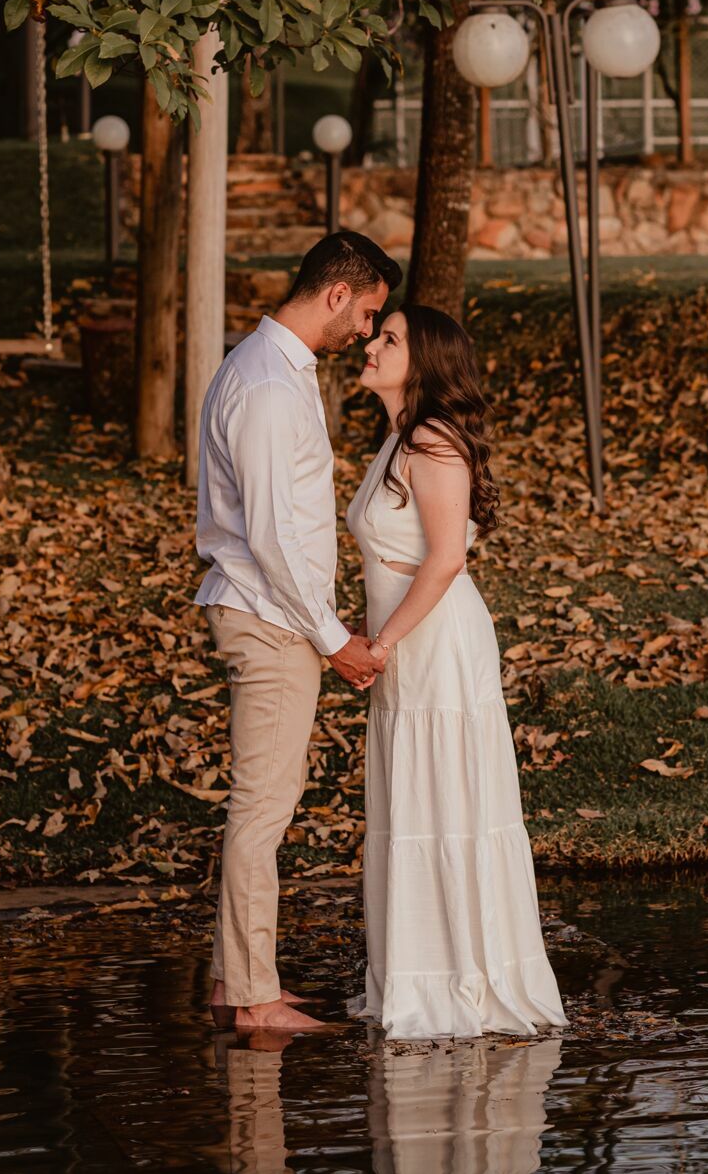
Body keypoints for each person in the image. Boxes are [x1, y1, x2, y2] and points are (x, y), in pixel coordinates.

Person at [195, 230, 402, 1034]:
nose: (367, 332)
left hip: (270, 611)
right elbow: (276, 535)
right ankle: (252, 999)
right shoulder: (271, 388)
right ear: (339, 293)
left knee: (259, 807)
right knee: (262, 812)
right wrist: (331, 636)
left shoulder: (270, 369)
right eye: (370, 312)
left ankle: (231, 982)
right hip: (272, 619)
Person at [346, 304, 567, 1039]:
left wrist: (383, 644)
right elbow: (395, 554)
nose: (372, 345)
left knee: (446, 803)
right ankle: (415, 970)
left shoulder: (434, 442)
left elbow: (446, 559)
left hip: (435, 642)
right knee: (413, 804)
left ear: (427, 361)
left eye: (390, 339)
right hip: (404, 640)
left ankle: (464, 977)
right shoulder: (396, 440)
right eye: (376, 335)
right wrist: (370, 632)